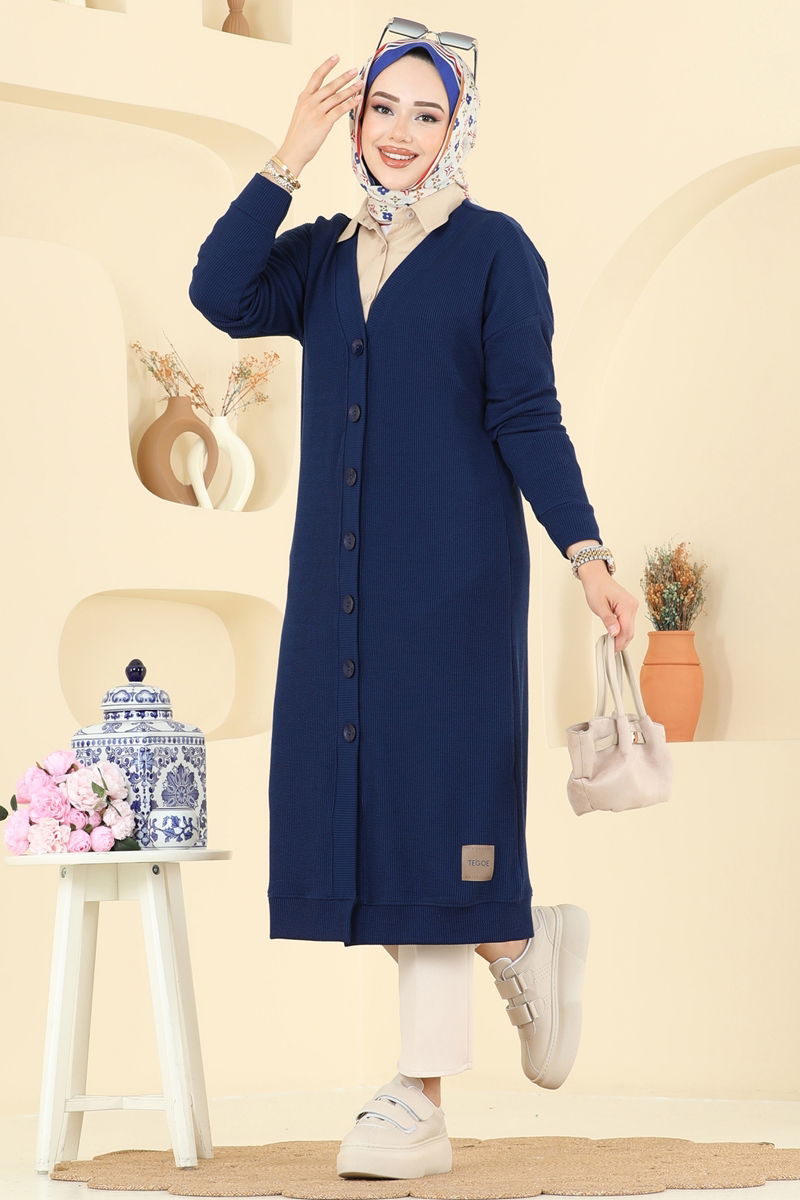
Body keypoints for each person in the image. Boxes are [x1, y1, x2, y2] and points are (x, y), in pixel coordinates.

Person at [189, 26, 639, 1183]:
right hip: (338, 598)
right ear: (354, 123)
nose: (398, 132)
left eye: (424, 113)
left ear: (455, 129)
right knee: (373, 825)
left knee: (436, 819)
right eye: (379, 109)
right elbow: (218, 291)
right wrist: (285, 155)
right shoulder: (319, 255)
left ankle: (417, 1099)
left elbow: (525, 414)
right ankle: (518, 942)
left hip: (453, 591)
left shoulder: (494, 252)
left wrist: (585, 553)